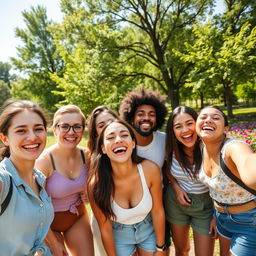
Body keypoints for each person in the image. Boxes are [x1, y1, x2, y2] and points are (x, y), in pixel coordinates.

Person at [87, 120, 166, 256]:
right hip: (119, 235)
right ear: (103, 149)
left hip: (148, 229)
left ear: (133, 143)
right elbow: (105, 228)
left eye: (124, 135)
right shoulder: (96, 185)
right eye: (111, 137)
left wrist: (160, 248)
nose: (118, 140)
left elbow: (158, 210)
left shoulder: (150, 170)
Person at [196, 105, 256, 256]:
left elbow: (249, 166)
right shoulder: (201, 148)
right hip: (222, 219)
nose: (208, 120)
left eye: (216, 118)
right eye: (203, 117)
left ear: (226, 129)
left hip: (249, 221)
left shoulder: (233, 148)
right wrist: (217, 214)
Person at [35, 105, 94, 256]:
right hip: (47, 226)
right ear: (54, 129)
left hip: (77, 219)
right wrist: (54, 243)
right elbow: (34, 207)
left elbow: (96, 184)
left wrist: (87, 193)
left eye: (77, 127)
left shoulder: (86, 156)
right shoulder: (44, 162)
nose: (71, 132)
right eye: (65, 127)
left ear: (83, 129)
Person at [119, 87, 171, 253]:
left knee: (162, 249)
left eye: (151, 114)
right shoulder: (123, 142)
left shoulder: (164, 140)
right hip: (131, 211)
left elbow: (171, 168)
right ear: (132, 117)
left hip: (158, 206)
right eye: (141, 113)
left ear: (158, 117)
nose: (146, 118)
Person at [0, 99, 54, 255]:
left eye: (38, 129)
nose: (32, 137)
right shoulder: (3, 180)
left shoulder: (39, 179)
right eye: (21, 130)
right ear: (5, 138)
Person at [164, 106, 216, 256]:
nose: (185, 130)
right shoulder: (171, 148)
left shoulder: (210, 146)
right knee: (181, 250)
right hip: (176, 202)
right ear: (173, 131)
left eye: (189, 123)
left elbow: (222, 183)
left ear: (198, 123)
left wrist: (216, 214)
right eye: (178, 126)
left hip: (205, 206)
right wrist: (175, 186)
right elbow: (166, 168)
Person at [87, 105, 118, 256]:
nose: (107, 126)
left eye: (111, 121)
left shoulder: (128, 148)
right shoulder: (92, 157)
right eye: (101, 125)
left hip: (129, 218)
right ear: (96, 132)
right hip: (102, 218)